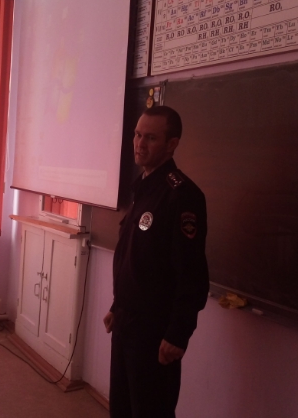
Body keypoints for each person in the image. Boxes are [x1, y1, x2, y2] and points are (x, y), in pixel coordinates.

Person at [104, 105, 209, 417]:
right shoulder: (143, 187)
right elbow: (136, 259)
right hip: (126, 323)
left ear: (171, 144)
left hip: (155, 332)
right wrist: (117, 306)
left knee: (151, 412)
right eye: (137, 135)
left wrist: (178, 333)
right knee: (122, 409)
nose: (139, 143)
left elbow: (191, 273)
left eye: (150, 138)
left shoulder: (181, 195)